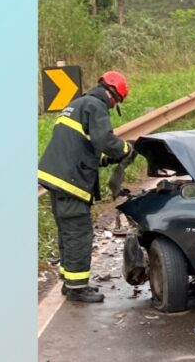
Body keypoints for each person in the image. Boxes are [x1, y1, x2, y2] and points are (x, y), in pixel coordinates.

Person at [38, 71, 134, 303]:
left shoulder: (78, 104)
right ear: (113, 95)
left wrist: (105, 159)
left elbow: (81, 146)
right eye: (116, 103)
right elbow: (104, 141)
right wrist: (124, 150)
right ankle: (77, 288)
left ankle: (69, 281)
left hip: (57, 176)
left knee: (67, 230)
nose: (113, 107)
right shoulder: (96, 106)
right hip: (70, 180)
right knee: (79, 232)